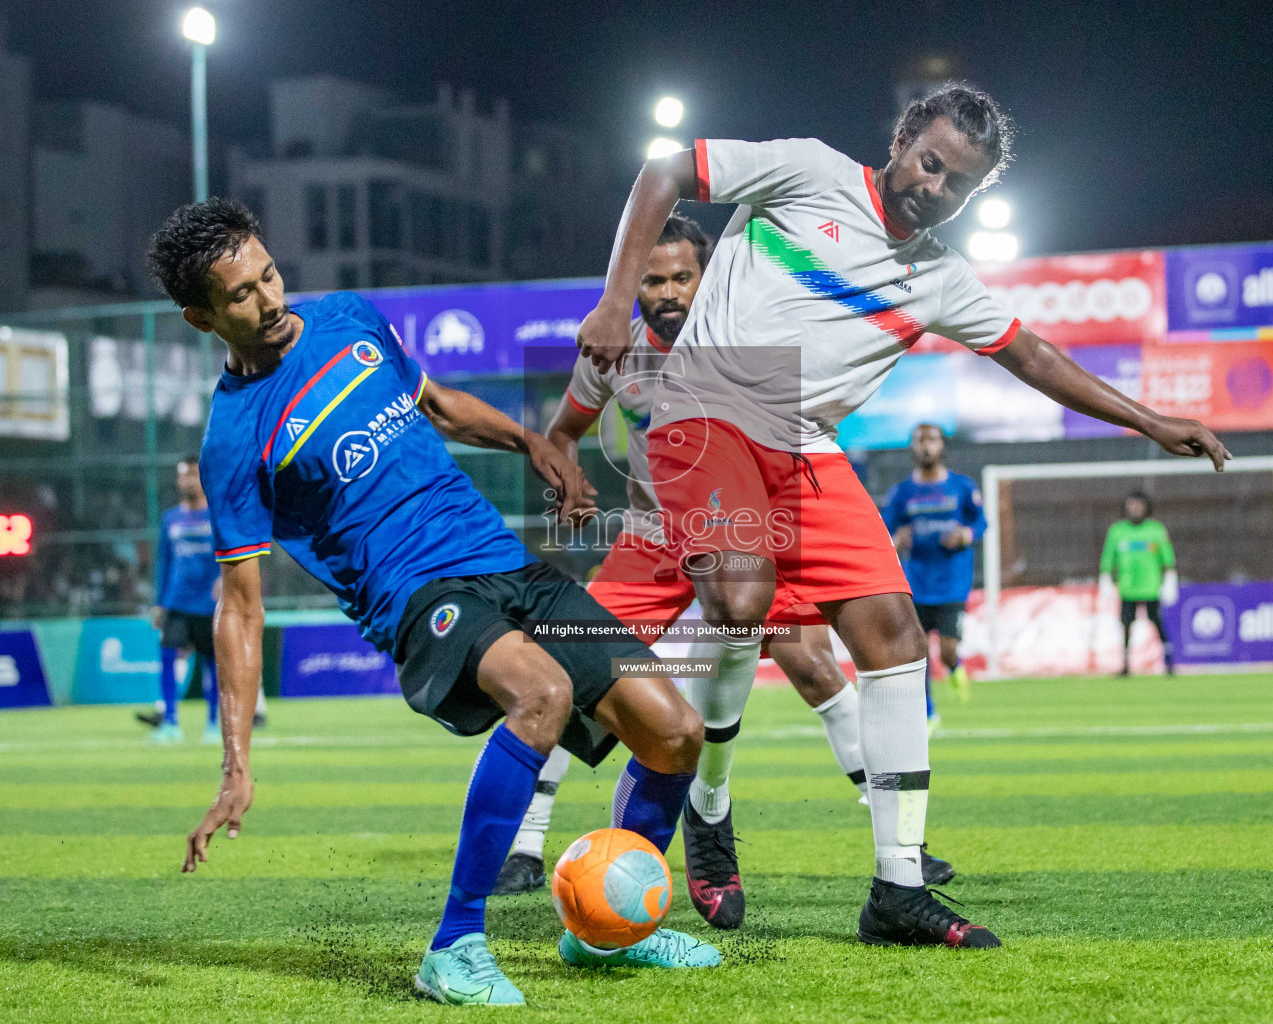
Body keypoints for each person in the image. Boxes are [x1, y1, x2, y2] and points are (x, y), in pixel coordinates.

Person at [577, 82, 1230, 949]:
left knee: (893, 635)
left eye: (957, 183)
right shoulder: (807, 172)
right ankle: (707, 803)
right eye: (929, 162)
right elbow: (664, 168)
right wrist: (614, 302)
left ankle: (896, 889)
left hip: (804, 445)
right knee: (740, 604)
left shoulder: (936, 278)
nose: (933, 187)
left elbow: (1030, 353)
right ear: (899, 140)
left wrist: (1148, 420)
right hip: (710, 413)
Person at [148, 198, 723, 1007]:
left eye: (269, 274)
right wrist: (235, 764)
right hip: (419, 598)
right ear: (200, 316)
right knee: (542, 694)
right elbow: (239, 606)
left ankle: (609, 928)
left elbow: (437, 402)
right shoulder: (233, 439)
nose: (270, 300)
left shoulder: (347, 318)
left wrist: (532, 441)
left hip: (503, 564)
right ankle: (452, 946)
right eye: (241, 294)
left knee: (675, 733)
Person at [493, 216, 953, 922]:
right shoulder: (612, 351)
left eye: (683, 276)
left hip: (742, 530)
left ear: (707, 278)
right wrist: (564, 473)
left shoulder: (748, 332)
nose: (670, 292)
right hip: (652, 535)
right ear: (629, 286)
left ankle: (895, 839)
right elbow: (563, 430)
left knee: (814, 668)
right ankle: (525, 846)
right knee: (570, 668)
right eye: (652, 279)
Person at [138, 455, 269, 743]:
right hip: (176, 602)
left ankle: (213, 725)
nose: (187, 481)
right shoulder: (170, 518)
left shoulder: (219, 516)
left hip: (211, 605)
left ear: (203, 477)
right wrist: (159, 602)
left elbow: (238, 554)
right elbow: (164, 562)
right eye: (183, 475)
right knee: (168, 657)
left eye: (193, 475)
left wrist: (227, 579)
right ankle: (170, 723)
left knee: (215, 664)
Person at [883, 424, 985, 730]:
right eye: (919, 441)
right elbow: (886, 531)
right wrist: (896, 541)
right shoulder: (902, 492)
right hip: (916, 582)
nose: (926, 447)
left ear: (942, 446)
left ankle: (956, 667)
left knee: (948, 650)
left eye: (931, 440)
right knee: (919, 650)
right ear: (912, 448)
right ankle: (929, 713)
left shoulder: (962, 487)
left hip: (952, 582)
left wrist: (966, 534)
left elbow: (980, 522)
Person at [1100, 492, 1177, 676]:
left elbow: (1167, 557)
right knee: (1126, 626)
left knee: (1158, 624)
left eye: (1138, 505)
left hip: (1151, 588)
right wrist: (1105, 578)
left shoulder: (1156, 530)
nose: (1134, 509)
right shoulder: (1117, 531)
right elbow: (1108, 558)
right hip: (1127, 589)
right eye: (1131, 505)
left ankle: (1168, 662)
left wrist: (1170, 579)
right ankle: (1125, 665)